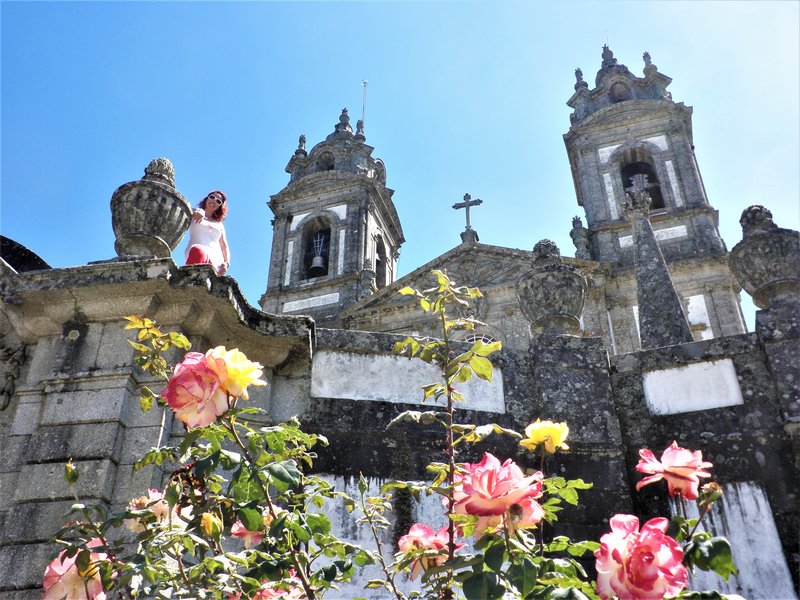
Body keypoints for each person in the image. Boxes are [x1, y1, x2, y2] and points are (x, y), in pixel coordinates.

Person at [184, 190, 230, 275]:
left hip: (216, 263)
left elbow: (224, 245)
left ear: (220, 206)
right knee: (197, 250)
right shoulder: (194, 212)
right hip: (197, 254)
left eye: (218, 201)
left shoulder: (219, 225)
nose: (214, 201)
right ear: (206, 198)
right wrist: (196, 212)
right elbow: (183, 213)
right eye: (212, 197)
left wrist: (226, 263)